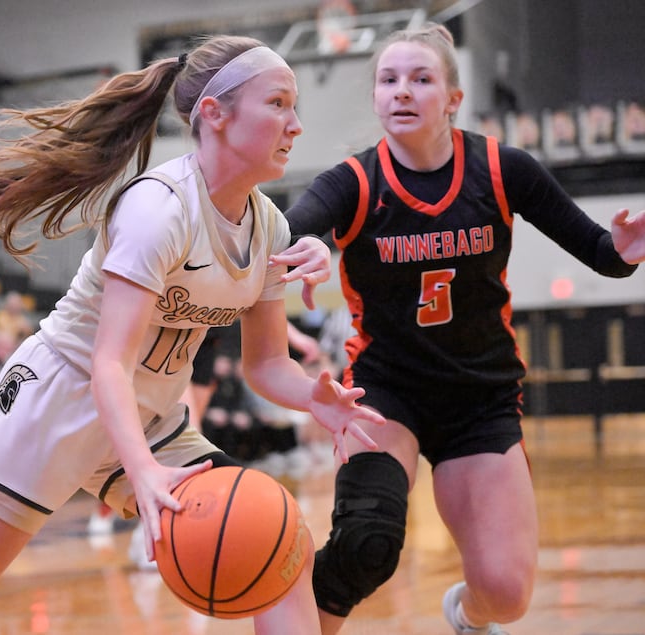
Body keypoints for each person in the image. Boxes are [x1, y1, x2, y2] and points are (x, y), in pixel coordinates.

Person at [0, 35, 385, 634]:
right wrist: (144, 474)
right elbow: (108, 363)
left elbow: (266, 366)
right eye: (279, 103)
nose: (297, 125)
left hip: (145, 417)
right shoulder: (159, 209)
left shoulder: (270, 227)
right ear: (215, 114)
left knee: (278, 543)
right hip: (58, 397)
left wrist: (314, 396)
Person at [283, 22, 645, 635]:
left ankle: (466, 617)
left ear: (452, 97)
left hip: (479, 399)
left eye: (420, 79)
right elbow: (293, 227)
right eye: (388, 80)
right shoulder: (354, 181)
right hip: (383, 394)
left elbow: (602, 254)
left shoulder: (504, 170)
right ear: (375, 97)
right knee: (364, 546)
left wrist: (626, 248)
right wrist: (307, 247)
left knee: (504, 595)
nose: (401, 91)